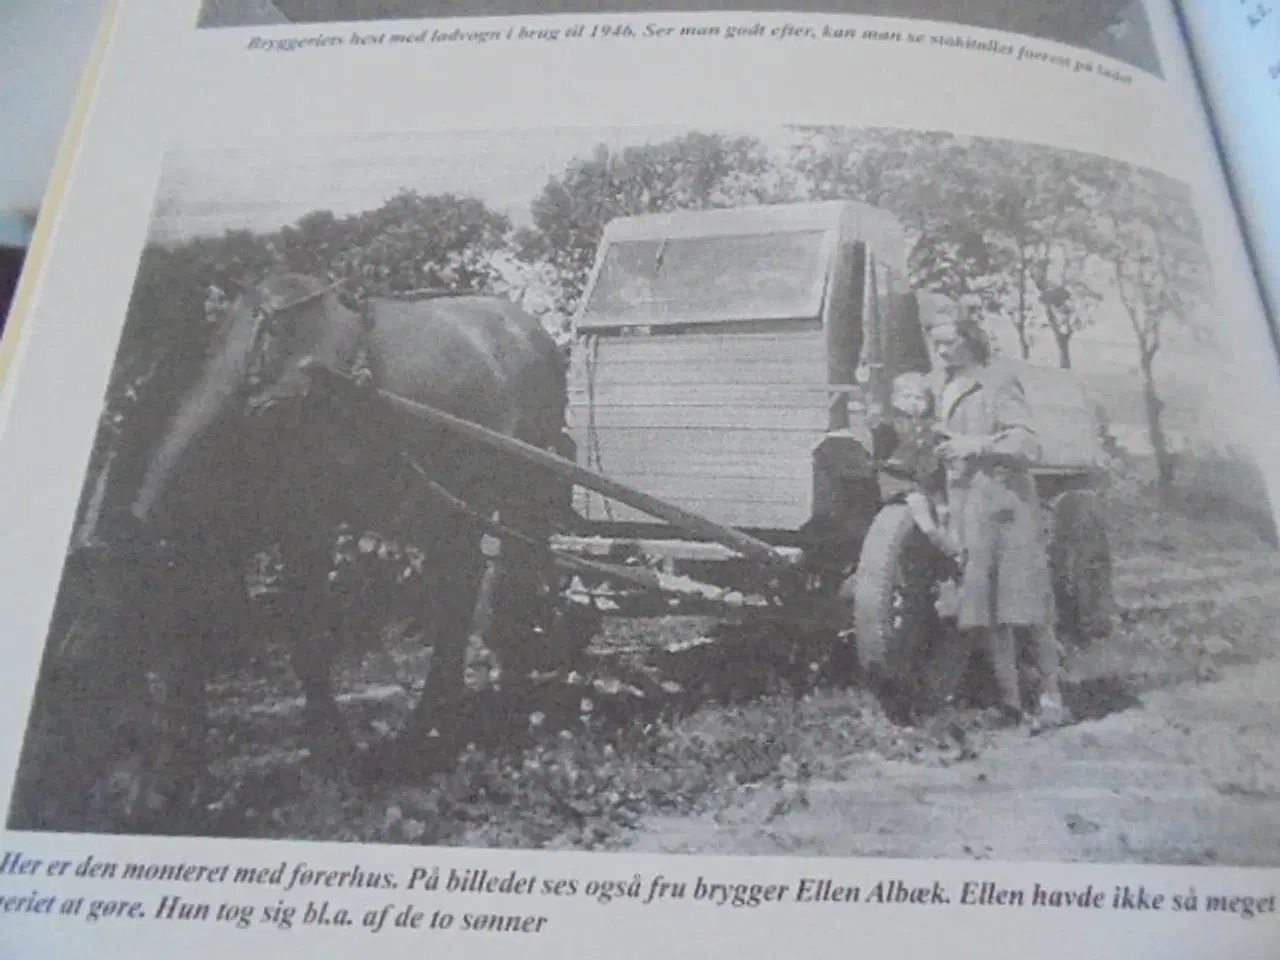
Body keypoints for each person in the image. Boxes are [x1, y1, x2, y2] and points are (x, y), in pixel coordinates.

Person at [928, 311, 1070, 732]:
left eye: (947, 341)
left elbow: (1028, 443)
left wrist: (975, 445)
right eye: (935, 342)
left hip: (1006, 509)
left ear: (970, 340)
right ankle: (1011, 703)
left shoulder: (998, 384)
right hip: (966, 510)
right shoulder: (940, 388)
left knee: (1027, 609)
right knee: (987, 612)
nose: (940, 350)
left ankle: (1052, 698)